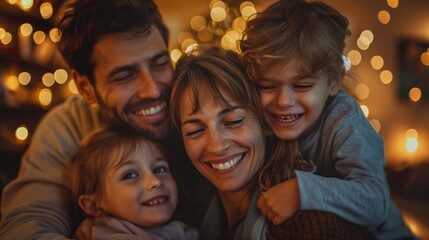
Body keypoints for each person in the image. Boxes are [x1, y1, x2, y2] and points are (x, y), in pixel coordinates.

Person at [0, 0, 208, 239]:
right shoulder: (70, 124)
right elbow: (29, 226)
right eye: (124, 76)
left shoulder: (199, 102)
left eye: (160, 64)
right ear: (85, 87)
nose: (151, 90)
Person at [239, 0, 416, 239]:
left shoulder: (344, 121)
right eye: (267, 85)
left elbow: (376, 201)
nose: (283, 101)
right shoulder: (260, 120)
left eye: (302, 85)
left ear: (333, 81)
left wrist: (303, 191)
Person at [170, 45, 367, 239]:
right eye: (195, 131)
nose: (217, 146)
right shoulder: (188, 220)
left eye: (233, 121)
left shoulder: (311, 225)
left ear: (266, 122)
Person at [69, 126, 198, 240]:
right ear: (93, 205)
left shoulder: (184, 229)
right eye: (130, 175)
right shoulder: (104, 235)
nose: (155, 181)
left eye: (159, 169)